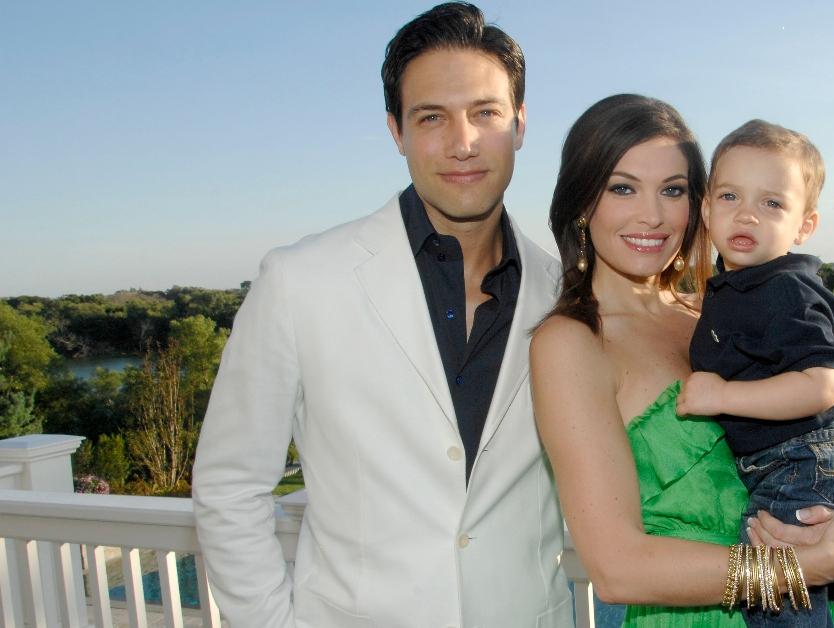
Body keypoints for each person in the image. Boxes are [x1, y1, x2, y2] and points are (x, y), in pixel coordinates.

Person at [191, 4, 573, 627]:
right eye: (432, 117)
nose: (463, 142)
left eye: (485, 112)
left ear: (520, 124)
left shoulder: (566, 294)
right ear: (396, 131)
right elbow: (230, 487)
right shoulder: (298, 281)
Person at [531, 95, 834, 627]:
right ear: (583, 201)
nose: (651, 215)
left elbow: (823, 431)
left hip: (809, 605)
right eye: (622, 187)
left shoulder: (716, 316)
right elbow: (619, 569)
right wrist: (806, 565)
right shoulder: (572, 343)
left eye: (672, 190)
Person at [676, 120, 834, 627]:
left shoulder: (785, 290)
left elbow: (820, 387)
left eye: (772, 203)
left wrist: (723, 394)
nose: (747, 212)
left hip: (805, 453)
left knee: (772, 575)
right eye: (729, 196)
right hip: (812, 454)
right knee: (831, 570)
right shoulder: (741, 291)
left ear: (804, 226)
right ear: (706, 211)